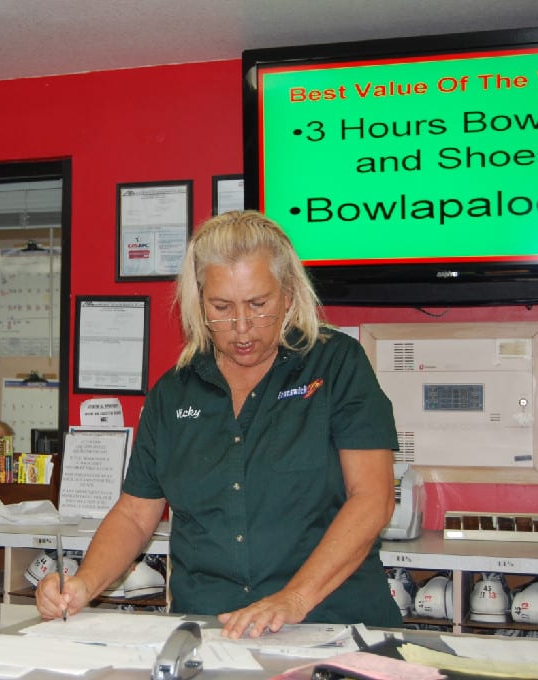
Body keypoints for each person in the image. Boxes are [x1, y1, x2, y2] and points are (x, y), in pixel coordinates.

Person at [36, 210, 401, 636]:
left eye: (258, 305)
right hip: (210, 631)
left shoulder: (337, 363)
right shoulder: (173, 392)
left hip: (331, 621)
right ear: (199, 303)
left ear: (287, 294)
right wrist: (83, 583)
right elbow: (136, 514)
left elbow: (372, 498)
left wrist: (294, 598)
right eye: (222, 307)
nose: (242, 328)